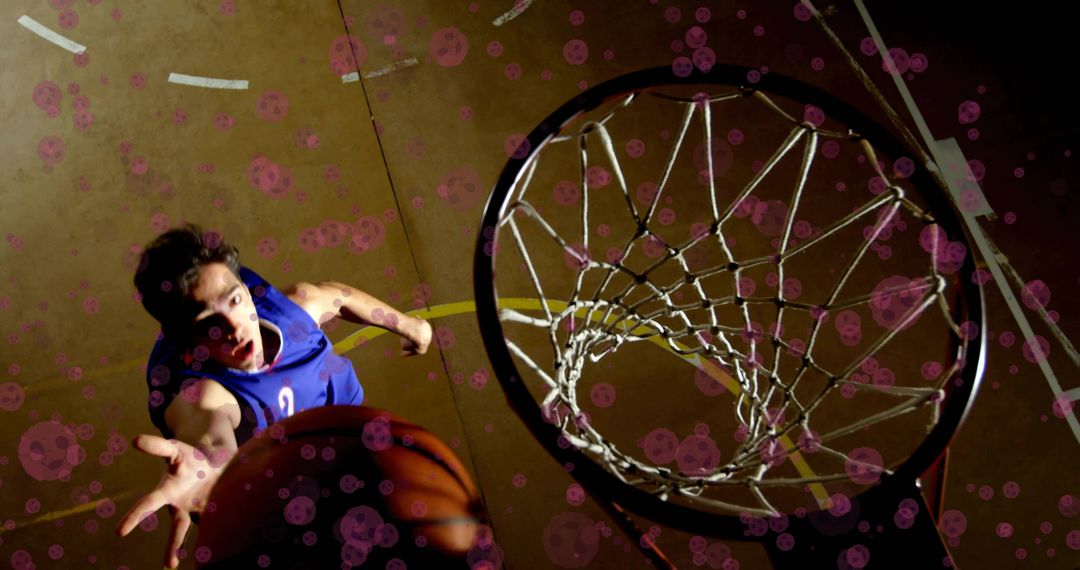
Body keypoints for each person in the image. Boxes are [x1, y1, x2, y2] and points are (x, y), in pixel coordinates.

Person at [115, 224, 433, 568]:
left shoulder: (295, 309)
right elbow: (206, 428)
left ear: (248, 292)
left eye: (235, 300)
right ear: (189, 343)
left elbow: (339, 297)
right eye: (210, 324)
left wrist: (409, 325)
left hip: (343, 427)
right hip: (286, 486)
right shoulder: (201, 393)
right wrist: (210, 470)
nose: (234, 327)